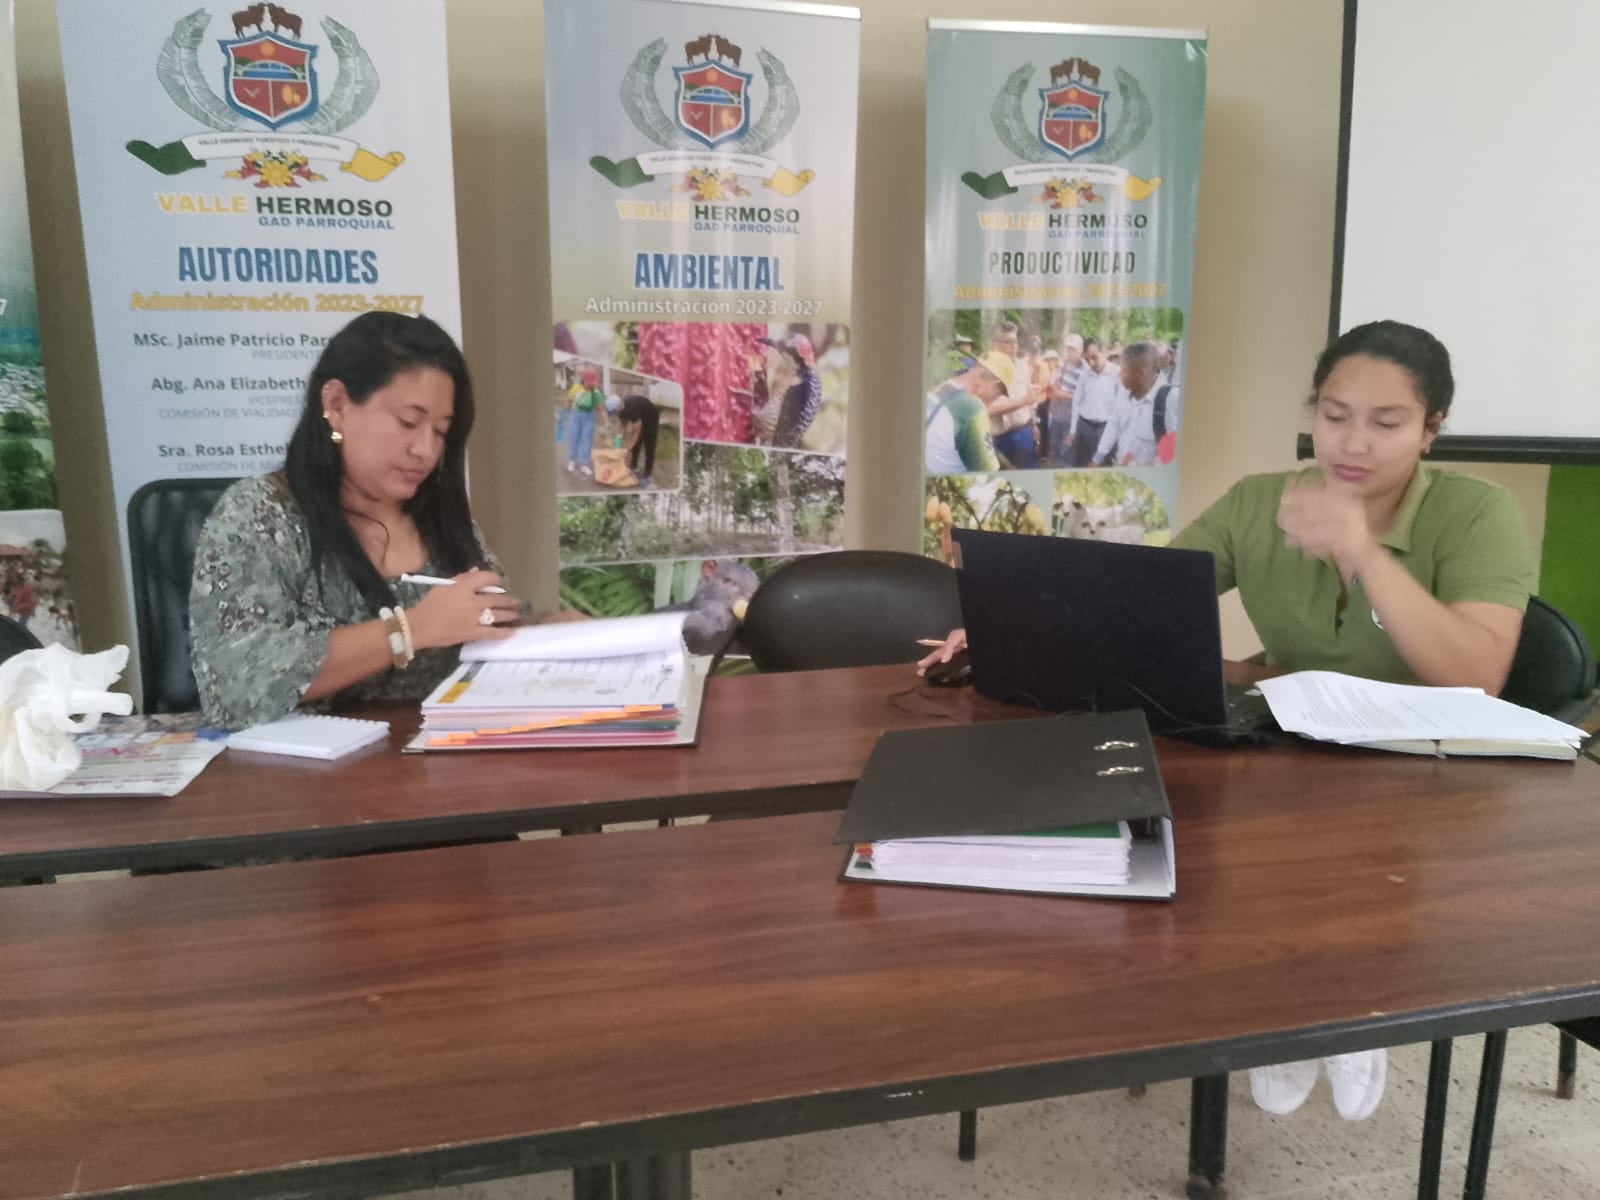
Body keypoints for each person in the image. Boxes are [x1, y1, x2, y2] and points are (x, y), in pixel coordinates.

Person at [916, 320, 1537, 1120]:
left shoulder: (1478, 512)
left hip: (1426, 777)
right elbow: (1140, 599)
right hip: (1297, 755)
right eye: (1334, 415)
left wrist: (1364, 553)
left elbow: (1478, 675)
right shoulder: (1261, 501)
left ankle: (1344, 994)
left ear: (1431, 429)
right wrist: (1009, 624)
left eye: (1387, 423)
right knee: (1194, 830)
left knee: (1309, 856)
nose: (1352, 443)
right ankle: (1291, 992)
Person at [189, 311, 525, 731]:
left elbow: (489, 626)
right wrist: (409, 629)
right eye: (408, 422)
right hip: (305, 768)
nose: (425, 449)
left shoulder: (442, 518)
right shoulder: (260, 515)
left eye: (441, 431)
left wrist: (544, 631)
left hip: (444, 754)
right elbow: (235, 688)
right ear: (336, 405)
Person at [1093, 341, 1181, 467]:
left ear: (1141, 373)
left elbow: (1173, 452)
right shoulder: (1124, 391)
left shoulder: (1169, 398)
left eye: (1124, 371)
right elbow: (1114, 424)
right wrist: (1098, 457)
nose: (1119, 375)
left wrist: (1142, 466)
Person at [924, 352, 1013, 474]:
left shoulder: (940, 388)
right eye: (998, 395)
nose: (994, 401)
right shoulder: (973, 408)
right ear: (994, 386)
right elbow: (989, 473)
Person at [987, 322, 1038, 468]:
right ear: (994, 344)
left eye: (1015, 341)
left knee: (1029, 472)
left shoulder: (1022, 367)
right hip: (998, 437)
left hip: (1023, 432)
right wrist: (1023, 401)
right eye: (1008, 342)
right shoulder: (986, 371)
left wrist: (1034, 425)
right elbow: (988, 408)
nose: (1014, 346)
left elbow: (1030, 398)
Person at [1067, 337, 1122, 467]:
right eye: (1087, 359)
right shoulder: (1084, 375)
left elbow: (1122, 406)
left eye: (1094, 357)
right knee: (1080, 467)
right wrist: (1073, 430)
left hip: (1106, 429)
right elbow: (1077, 401)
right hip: (1084, 427)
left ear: (1104, 353)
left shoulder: (1117, 374)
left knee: (1103, 468)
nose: (1091, 363)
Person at [1045, 334, 1085, 465]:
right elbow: (1053, 385)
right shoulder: (1062, 365)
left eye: (1073, 349)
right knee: (1053, 447)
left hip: (1071, 419)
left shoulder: (1085, 370)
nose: (1070, 352)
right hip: (1056, 414)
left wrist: (1061, 394)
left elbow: (1084, 397)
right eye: (1068, 349)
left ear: (1081, 350)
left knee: (1067, 451)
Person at [606, 392, 661, 486]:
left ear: (619, 406)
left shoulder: (632, 409)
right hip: (639, 416)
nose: (614, 414)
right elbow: (623, 424)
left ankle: (647, 473)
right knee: (637, 441)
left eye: (614, 411)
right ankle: (634, 465)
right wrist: (618, 438)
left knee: (649, 444)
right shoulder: (620, 409)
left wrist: (628, 448)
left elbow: (636, 431)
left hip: (651, 418)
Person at [565, 366, 604, 476]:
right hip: (575, 415)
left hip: (589, 417)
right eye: (589, 383)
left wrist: (606, 423)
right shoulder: (576, 388)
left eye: (593, 383)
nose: (591, 385)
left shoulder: (596, 392)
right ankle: (572, 460)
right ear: (584, 381)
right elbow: (568, 401)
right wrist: (563, 414)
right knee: (573, 438)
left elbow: (601, 408)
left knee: (587, 440)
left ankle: (584, 464)